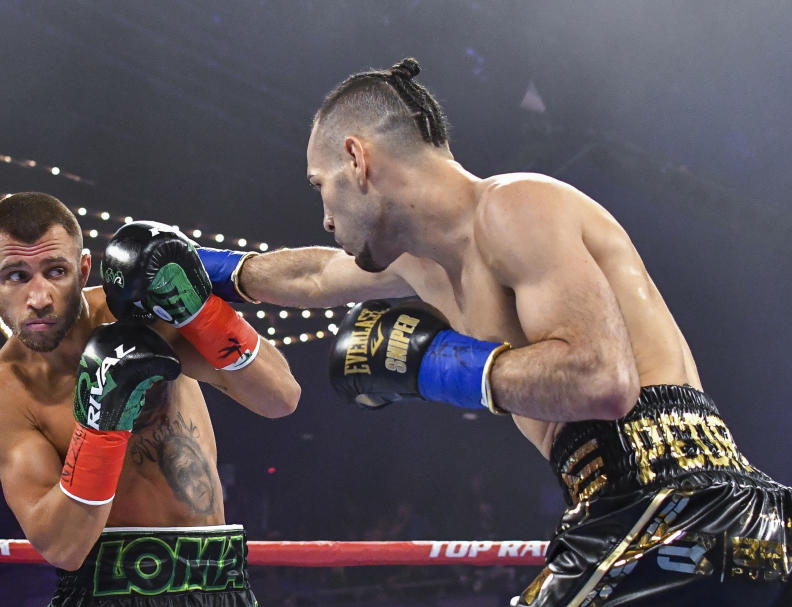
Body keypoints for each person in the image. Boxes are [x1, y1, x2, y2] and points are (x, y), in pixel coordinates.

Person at [196, 59, 792, 605]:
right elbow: (315, 273)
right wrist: (196, 266)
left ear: (357, 159)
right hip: (633, 514)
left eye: (319, 183)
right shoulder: (419, 264)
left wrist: (434, 365)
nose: (324, 215)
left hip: (678, 508)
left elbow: (603, 381)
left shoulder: (516, 207)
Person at [0, 192, 300, 606]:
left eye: (56, 271)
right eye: (16, 276)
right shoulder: (3, 396)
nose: (39, 298)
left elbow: (281, 397)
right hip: (103, 592)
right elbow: (63, 549)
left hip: (219, 582)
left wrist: (199, 310)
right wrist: (101, 421)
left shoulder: (137, 315)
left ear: (84, 268)